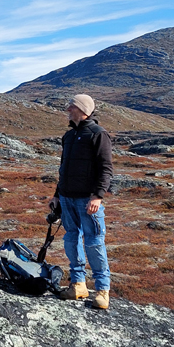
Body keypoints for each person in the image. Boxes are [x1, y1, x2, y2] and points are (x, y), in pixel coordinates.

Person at [49, 93, 114, 309]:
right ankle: (78, 284)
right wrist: (57, 195)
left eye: (72, 106)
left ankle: (102, 290)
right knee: (71, 239)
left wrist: (97, 196)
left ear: (83, 109)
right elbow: (64, 168)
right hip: (67, 198)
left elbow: (106, 169)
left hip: (88, 200)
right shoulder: (68, 137)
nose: (68, 110)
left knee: (94, 242)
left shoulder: (98, 134)